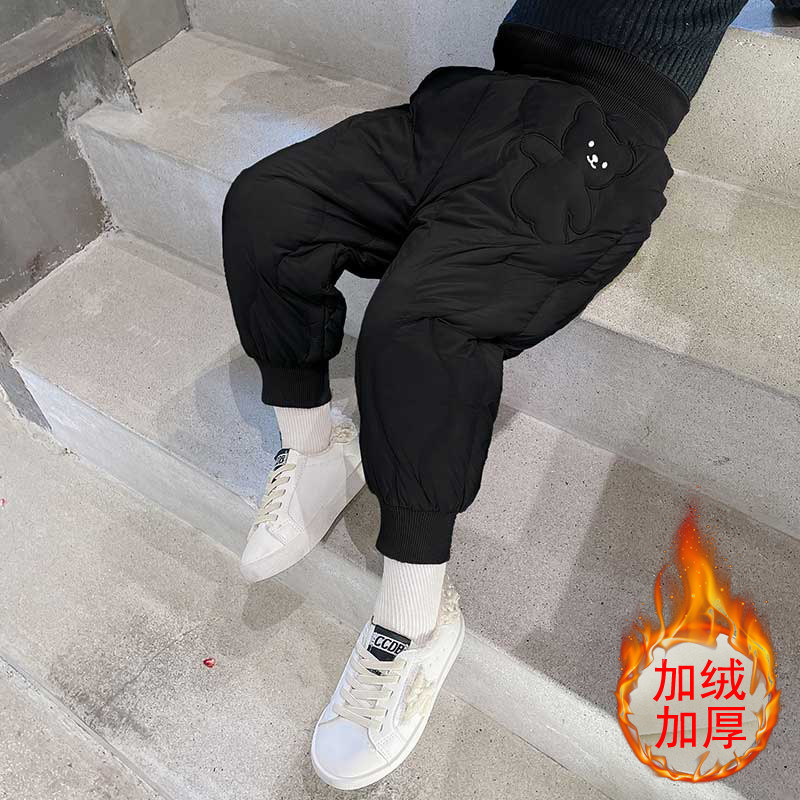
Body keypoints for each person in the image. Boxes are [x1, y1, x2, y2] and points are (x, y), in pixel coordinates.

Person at [222, 0, 793, 790]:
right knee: (268, 204)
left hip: (597, 133)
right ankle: (314, 451)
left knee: (419, 328)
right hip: (482, 102)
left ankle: (414, 623)